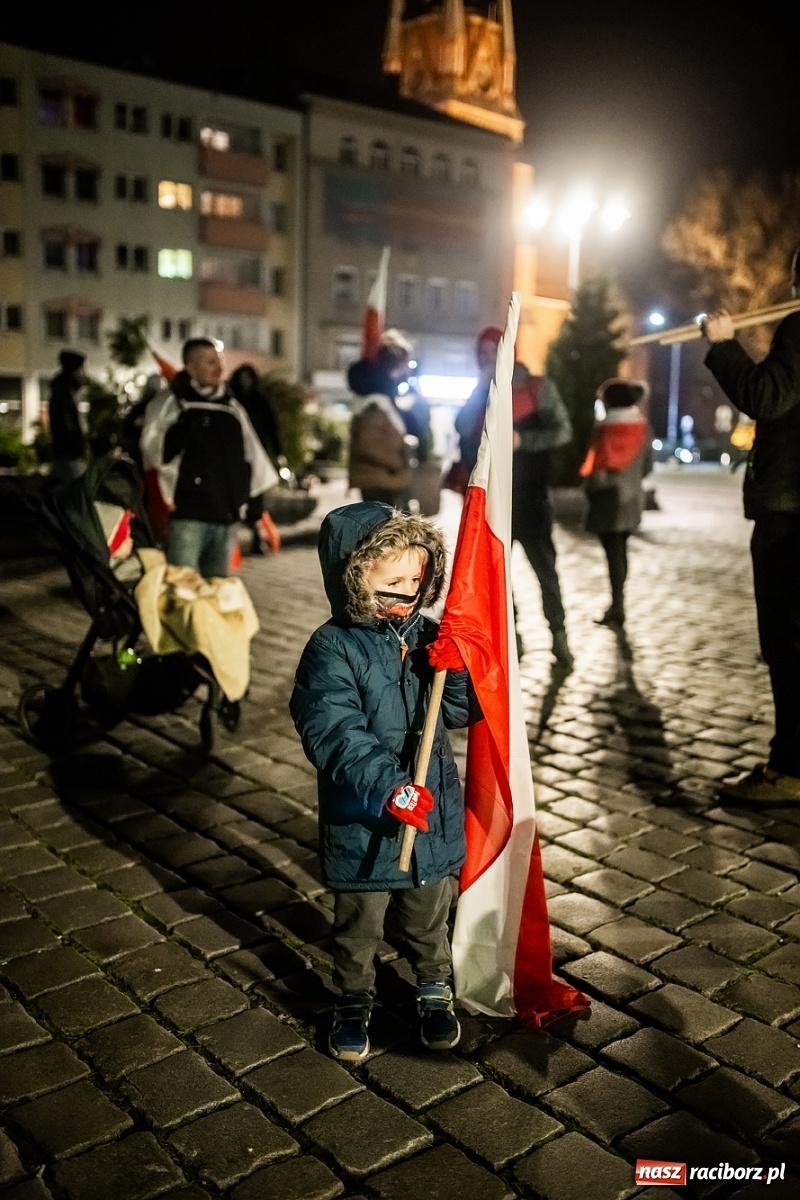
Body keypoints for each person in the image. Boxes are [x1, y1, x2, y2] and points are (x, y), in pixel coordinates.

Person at [289, 501, 478, 1060]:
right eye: (391, 581)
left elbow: (460, 713)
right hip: (366, 814)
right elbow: (334, 731)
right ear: (354, 579)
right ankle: (353, 997)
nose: (408, 592)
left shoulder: (425, 635)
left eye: (416, 579)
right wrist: (388, 784)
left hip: (432, 812)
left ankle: (433, 986)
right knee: (360, 923)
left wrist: (458, 667)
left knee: (429, 913)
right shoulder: (332, 648)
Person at [702, 248, 800, 802]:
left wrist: (722, 345)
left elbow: (768, 395)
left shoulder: (799, 328)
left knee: (788, 644)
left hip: (791, 514)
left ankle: (790, 768)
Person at [455, 326, 574, 667]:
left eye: (493, 352)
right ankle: (512, 638)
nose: (487, 360)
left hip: (532, 498)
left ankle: (559, 637)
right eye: (482, 355)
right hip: (495, 501)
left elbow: (562, 430)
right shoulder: (481, 391)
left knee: (545, 573)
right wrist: (481, 392)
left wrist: (525, 441)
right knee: (497, 578)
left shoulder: (538, 387)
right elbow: (463, 428)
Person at [142, 338, 276, 578]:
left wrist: (252, 504)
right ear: (190, 367)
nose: (219, 368)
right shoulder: (170, 405)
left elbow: (252, 457)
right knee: (184, 590)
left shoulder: (232, 408)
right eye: (210, 362)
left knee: (217, 593)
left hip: (225, 518)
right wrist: (183, 427)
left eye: (220, 362)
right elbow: (153, 455)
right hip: (188, 517)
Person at [579, 379, 651, 628]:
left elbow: (594, 463)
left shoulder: (603, 428)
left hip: (606, 498)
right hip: (631, 498)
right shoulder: (643, 427)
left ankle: (616, 605)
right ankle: (619, 603)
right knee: (621, 549)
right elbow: (648, 466)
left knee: (612, 553)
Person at [347, 330, 428, 511]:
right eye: (406, 363)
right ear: (396, 364)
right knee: (387, 532)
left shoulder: (382, 397)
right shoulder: (376, 402)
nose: (408, 369)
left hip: (385, 479)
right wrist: (397, 462)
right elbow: (368, 442)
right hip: (381, 480)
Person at [229, 364, 284, 555]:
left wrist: (278, 453)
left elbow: (272, 428)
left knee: (255, 498)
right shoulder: (231, 400)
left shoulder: (260, 401)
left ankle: (256, 537)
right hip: (235, 456)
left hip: (257, 454)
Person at [49, 350, 87, 483]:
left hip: (64, 451)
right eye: (81, 368)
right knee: (77, 487)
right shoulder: (64, 391)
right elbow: (65, 421)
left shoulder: (63, 389)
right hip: (68, 452)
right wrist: (76, 445)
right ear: (74, 369)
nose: (83, 372)